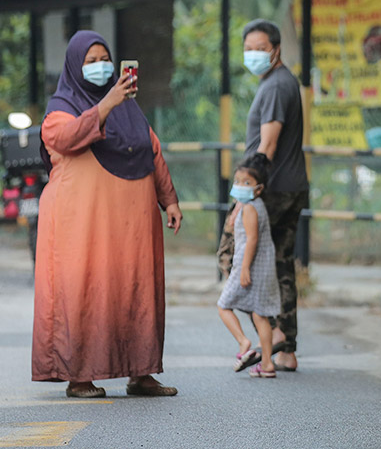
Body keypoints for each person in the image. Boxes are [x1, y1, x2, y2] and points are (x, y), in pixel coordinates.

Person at [32, 30, 182, 398]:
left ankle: (141, 373)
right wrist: (105, 106)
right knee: (85, 294)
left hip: (132, 226)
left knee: (137, 291)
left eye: (104, 59)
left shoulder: (129, 109)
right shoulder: (61, 107)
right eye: (91, 60)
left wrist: (170, 200)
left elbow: (152, 150)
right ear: (74, 65)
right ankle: (79, 377)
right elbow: (63, 139)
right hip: (82, 227)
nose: (101, 66)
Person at [239, 18, 309, 372]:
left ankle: (275, 336)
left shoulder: (277, 86)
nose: (253, 55)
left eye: (260, 49)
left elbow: (267, 143)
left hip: (274, 188)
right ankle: (285, 349)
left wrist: (248, 189)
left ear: (276, 50)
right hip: (288, 185)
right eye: (248, 50)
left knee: (245, 263)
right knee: (280, 263)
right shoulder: (277, 82)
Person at [218, 155, 281, 378]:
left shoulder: (250, 209)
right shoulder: (256, 205)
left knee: (223, 305)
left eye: (247, 183)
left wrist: (244, 269)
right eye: (237, 181)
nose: (240, 186)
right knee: (260, 315)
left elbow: (251, 240)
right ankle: (267, 364)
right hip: (262, 266)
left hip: (250, 266)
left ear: (259, 188)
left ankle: (244, 342)